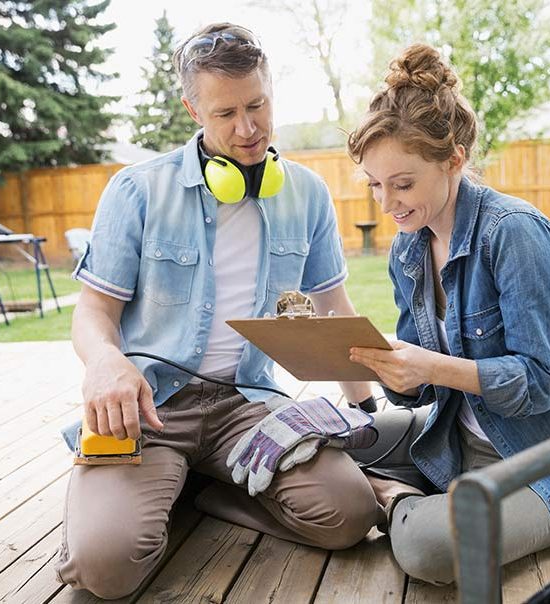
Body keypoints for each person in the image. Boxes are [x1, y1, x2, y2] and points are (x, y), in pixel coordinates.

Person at [54, 23, 379, 599]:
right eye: (226, 113)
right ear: (192, 109)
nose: (248, 128)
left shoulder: (306, 193)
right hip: (152, 408)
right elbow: (93, 311)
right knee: (104, 570)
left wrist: (369, 409)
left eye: (257, 104)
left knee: (350, 514)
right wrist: (105, 360)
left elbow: (333, 310)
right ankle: (141, 487)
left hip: (247, 406)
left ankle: (207, 492)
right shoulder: (136, 191)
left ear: (271, 90)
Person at [346, 44, 550, 585]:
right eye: (374, 184)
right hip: (456, 436)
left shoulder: (513, 233)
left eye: (403, 183)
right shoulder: (408, 249)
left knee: (429, 548)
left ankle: (392, 499)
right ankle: (405, 490)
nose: (386, 203)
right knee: (329, 440)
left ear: (454, 160)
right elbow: (416, 392)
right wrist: (388, 367)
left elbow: (543, 381)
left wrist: (430, 368)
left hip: (546, 462)